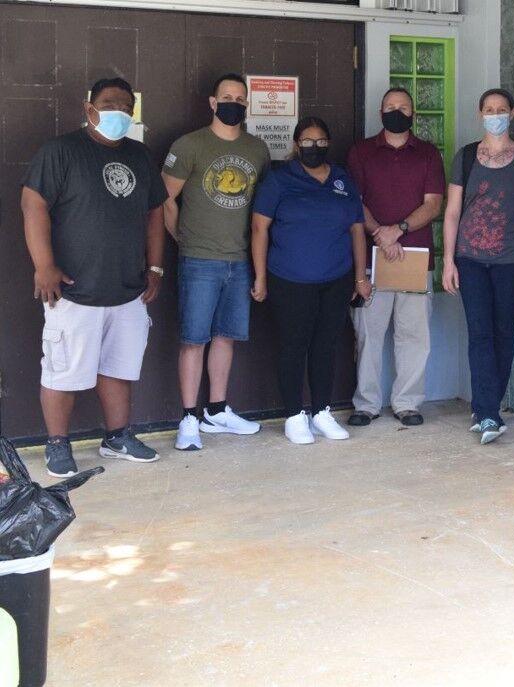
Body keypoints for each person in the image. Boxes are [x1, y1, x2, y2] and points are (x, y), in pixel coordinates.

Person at [21, 77, 167, 475]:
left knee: (119, 368)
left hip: (127, 290)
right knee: (63, 371)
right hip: (73, 290)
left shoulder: (140, 155)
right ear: (90, 110)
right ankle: (57, 444)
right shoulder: (61, 151)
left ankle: (117, 436)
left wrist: (154, 267)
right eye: (109, 104)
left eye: (125, 106)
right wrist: (44, 265)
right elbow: (33, 204)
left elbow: (156, 212)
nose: (118, 112)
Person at [162, 73, 271, 451]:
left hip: (239, 261)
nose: (234, 103)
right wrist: (183, 239)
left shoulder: (257, 150)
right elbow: (165, 198)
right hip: (199, 260)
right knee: (194, 339)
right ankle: (189, 418)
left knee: (226, 337)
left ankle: (217, 410)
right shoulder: (190, 145)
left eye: (240, 98)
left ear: (247, 104)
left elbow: (262, 211)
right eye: (227, 97)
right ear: (212, 102)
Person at [250, 117, 371, 444]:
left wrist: (361, 276)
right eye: (307, 141)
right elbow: (260, 228)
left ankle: (321, 411)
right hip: (289, 279)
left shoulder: (343, 180)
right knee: (293, 347)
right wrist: (260, 276)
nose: (313, 147)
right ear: (295, 144)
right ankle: (293, 415)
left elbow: (357, 229)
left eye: (320, 142)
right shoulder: (279, 180)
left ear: (328, 144)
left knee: (325, 346)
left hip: (336, 278)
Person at [441, 88, 514, 445]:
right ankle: (487, 413)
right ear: (480, 114)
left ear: (512, 113)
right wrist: (448, 260)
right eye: (489, 109)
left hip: (513, 259)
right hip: (470, 259)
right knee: (480, 334)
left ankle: (487, 407)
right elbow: (452, 212)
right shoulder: (467, 156)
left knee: (504, 333)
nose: (495, 114)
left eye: (501, 109)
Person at [345, 87, 445, 428]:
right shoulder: (361, 153)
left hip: (415, 259)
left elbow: (434, 204)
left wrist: (397, 230)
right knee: (368, 334)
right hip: (373, 259)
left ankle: (407, 403)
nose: (396, 111)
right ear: (380, 112)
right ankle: (366, 404)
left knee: (414, 336)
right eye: (390, 106)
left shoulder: (429, 154)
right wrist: (380, 234)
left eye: (403, 107)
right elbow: (354, 201)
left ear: (413, 114)